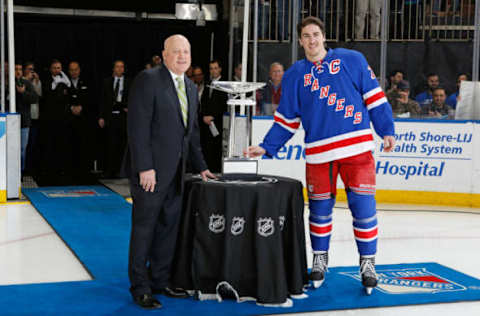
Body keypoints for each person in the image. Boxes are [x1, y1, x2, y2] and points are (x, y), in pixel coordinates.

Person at [245, 16, 395, 295]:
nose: (311, 40)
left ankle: (368, 263)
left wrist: (386, 129)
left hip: (357, 150)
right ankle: (320, 259)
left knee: (363, 209)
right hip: (318, 155)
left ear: (323, 37)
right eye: (306, 36)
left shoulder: (352, 60)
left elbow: (375, 97)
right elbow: (287, 120)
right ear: (300, 41)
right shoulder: (294, 75)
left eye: (315, 34)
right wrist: (266, 146)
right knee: (319, 211)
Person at [127, 34, 215, 309]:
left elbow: (191, 135)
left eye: (186, 52)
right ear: (164, 54)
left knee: (167, 229)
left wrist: (202, 167)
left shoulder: (189, 86)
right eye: (176, 52)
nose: (182, 56)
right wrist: (145, 167)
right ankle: (140, 287)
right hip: (151, 174)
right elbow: (138, 128)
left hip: (177, 173)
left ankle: (160, 281)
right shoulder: (148, 80)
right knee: (145, 229)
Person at [99, 60, 130, 178]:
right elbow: (103, 100)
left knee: (122, 145)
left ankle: (121, 171)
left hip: (123, 117)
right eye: (117, 67)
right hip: (110, 116)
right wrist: (101, 116)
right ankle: (108, 170)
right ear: (113, 69)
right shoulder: (107, 82)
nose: (119, 69)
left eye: (121, 67)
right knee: (110, 144)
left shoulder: (129, 82)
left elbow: (132, 97)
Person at [40, 59, 71, 177]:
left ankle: (61, 168)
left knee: (61, 143)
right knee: (49, 144)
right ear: (50, 69)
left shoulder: (64, 79)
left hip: (62, 118)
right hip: (49, 118)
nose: (57, 70)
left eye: (59, 68)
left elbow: (69, 89)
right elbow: (47, 92)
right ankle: (48, 169)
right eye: (55, 68)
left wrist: (62, 80)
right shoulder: (47, 80)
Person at [7, 62, 38, 175]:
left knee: (21, 149)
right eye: (16, 69)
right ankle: (9, 174)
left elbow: (35, 98)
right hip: (8, 122)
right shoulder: (7, 83)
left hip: (24, 122)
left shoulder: (26, 83)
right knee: (9, 150)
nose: (18, 71)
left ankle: (20, 173)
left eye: (20, 69)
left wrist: (23, 92)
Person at [200, 59, 228, 173]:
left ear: (220, 69)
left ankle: (216, 172)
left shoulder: (224, 84)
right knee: (206, 149)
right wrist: (203, 116)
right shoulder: (207, 84)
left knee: (216, 150)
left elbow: (224, 104)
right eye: (211, 68)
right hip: (206, 123)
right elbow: (203, 102)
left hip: (218, 123)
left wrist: (213, 116)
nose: (213, 71)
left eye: (215, 68)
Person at [67, 61, 91, 177]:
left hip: (83, 120)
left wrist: (82, 107)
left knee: (83, 145)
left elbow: (91, 98)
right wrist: (70, 107)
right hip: (69, 120)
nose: (74, 72)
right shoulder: (65, 83)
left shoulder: (86, 82)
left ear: (79, 70)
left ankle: (83, 171)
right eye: (72, 70)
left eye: (76, 69)